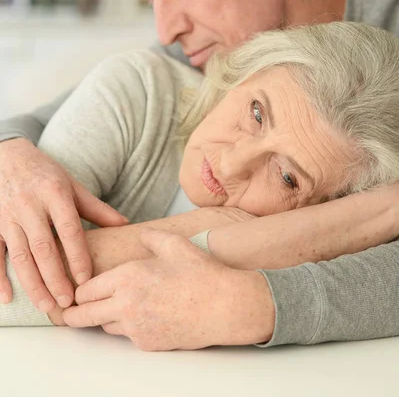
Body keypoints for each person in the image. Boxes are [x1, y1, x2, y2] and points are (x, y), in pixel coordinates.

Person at [0, 0, 398, 349]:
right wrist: (10, 152)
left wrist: (260, 304)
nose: (166, 30)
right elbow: (44, 119)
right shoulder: (198, 56)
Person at [2, 21, 399, 338]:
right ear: (244, 72)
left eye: (287, 177)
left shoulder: (339, 224)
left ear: (334, 207)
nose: (229, 165)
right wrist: (207, 232)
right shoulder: (136, 90)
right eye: (257, 114)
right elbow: (15, 290)